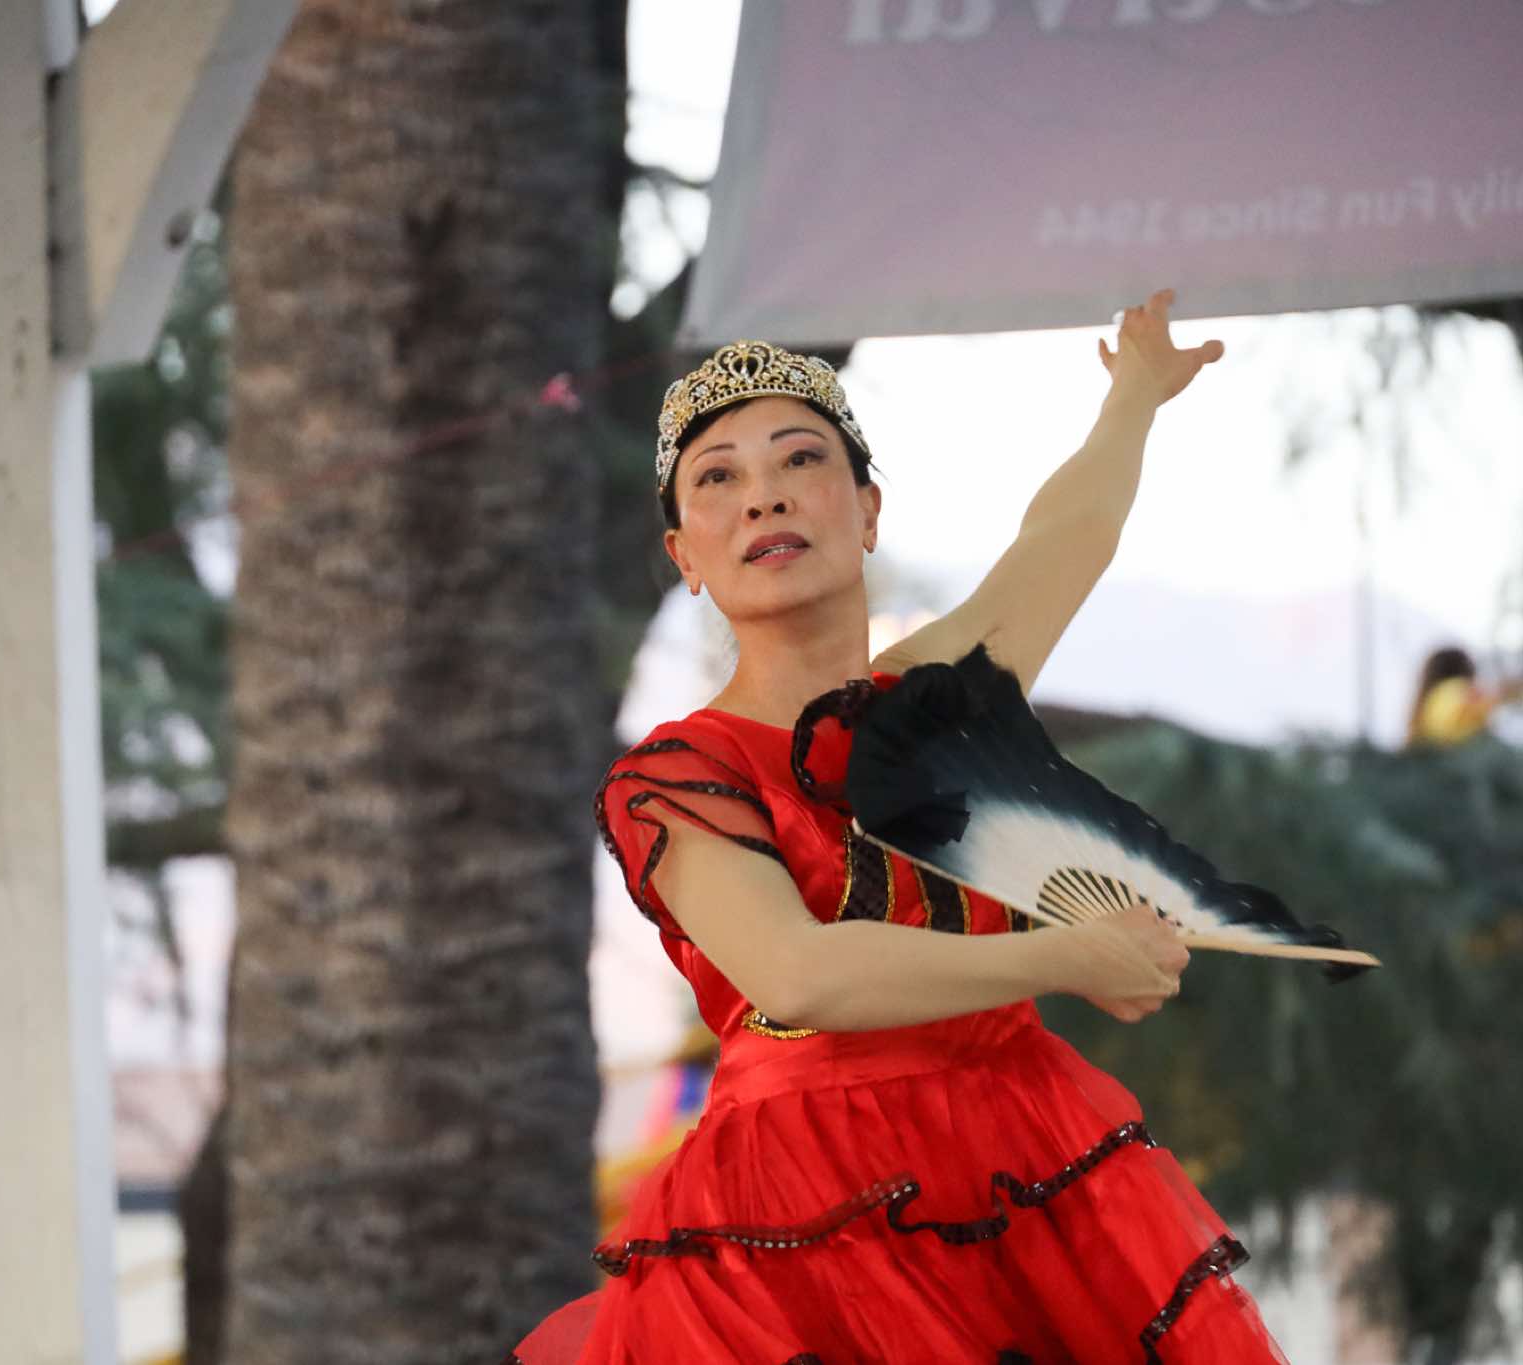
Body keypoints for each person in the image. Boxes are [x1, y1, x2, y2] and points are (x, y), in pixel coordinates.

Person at [511, 291, 1288, 1364]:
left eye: (800, 460)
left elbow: (1064, 537)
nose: (763, 496)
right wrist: (1064, 957)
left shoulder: (938, 703)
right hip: (803, 1215)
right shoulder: (678, 773)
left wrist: (1136, 396)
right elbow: (797, 975)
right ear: (684, 555)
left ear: (867, 511)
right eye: (718, 479)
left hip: (1028, 1159)